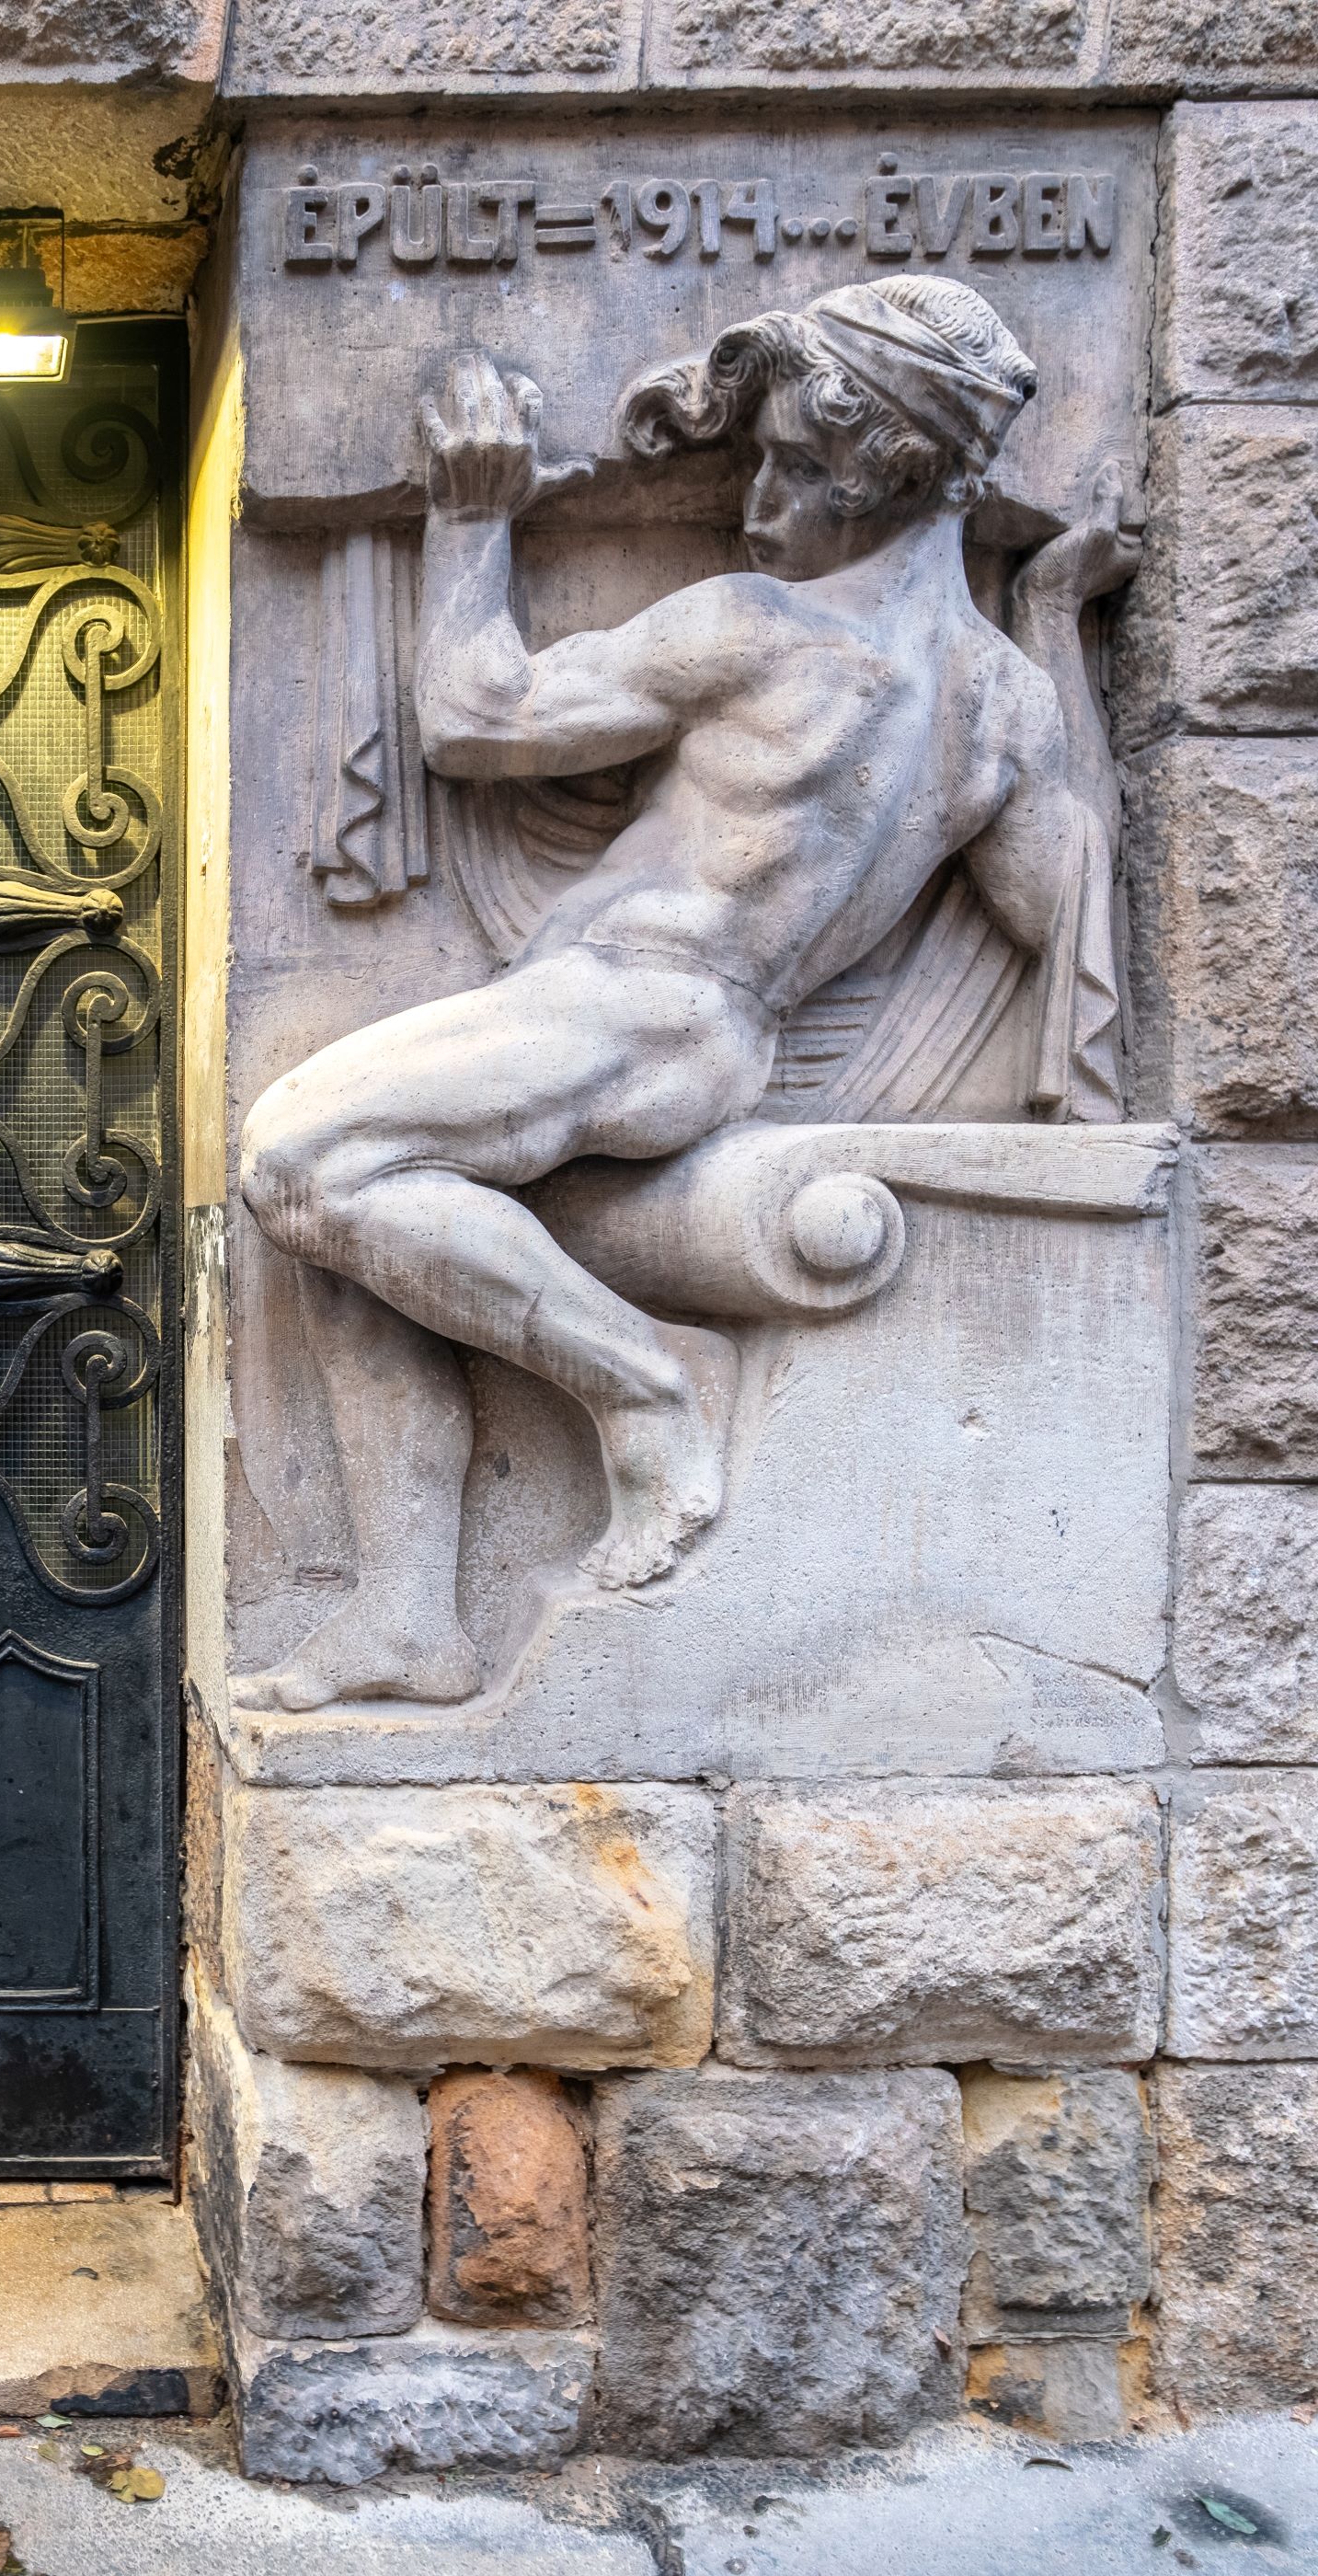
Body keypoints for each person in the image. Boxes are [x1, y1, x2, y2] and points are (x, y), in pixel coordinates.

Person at [235, 278, 1140, 1713]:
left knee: (296, 1157)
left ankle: (649, 1387)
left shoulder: (752, 629)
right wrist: (1045, 622)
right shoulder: (1001, 705)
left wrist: (471, 516)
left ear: (888, 474)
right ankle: (409, 1614)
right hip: (709, 1037)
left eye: (791, 463)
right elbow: (1069, 900)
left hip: (628, 1003)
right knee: (362, 1226)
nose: (756, 494)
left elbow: (477, 720)